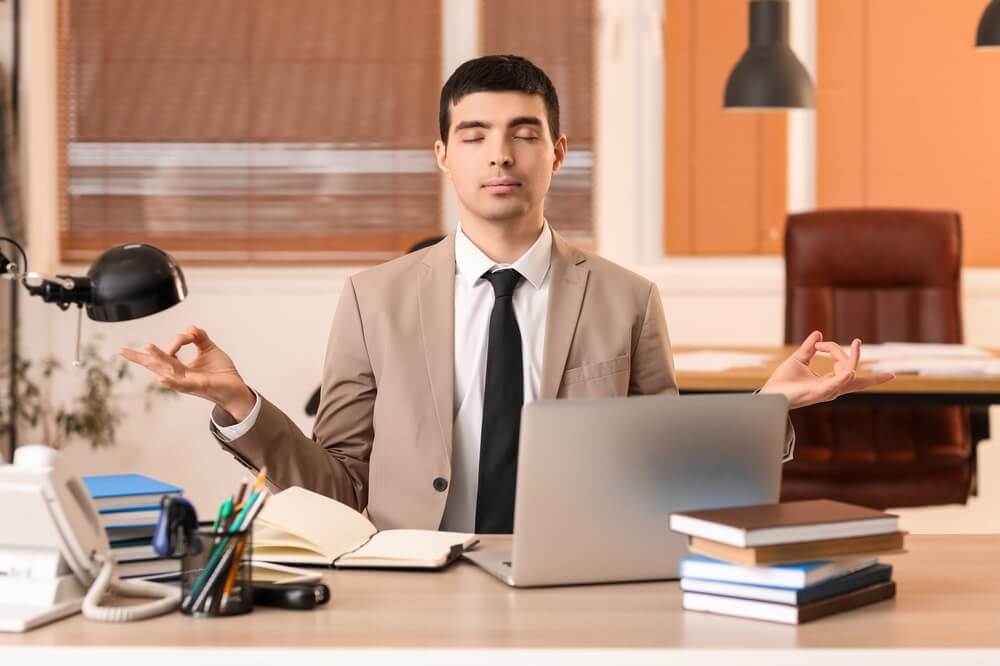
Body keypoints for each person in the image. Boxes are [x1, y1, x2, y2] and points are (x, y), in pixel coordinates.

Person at [121, 55, 894, 533]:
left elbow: (669, 482)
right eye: (475, 134)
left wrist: (770, 408)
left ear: (557, 153)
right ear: (442, 156)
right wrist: (240, 407)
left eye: (525, 133)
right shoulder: (371, 299)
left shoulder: (628, 299)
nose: (500, 154)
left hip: (573, 579)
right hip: (412, 573)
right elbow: (341, 490)